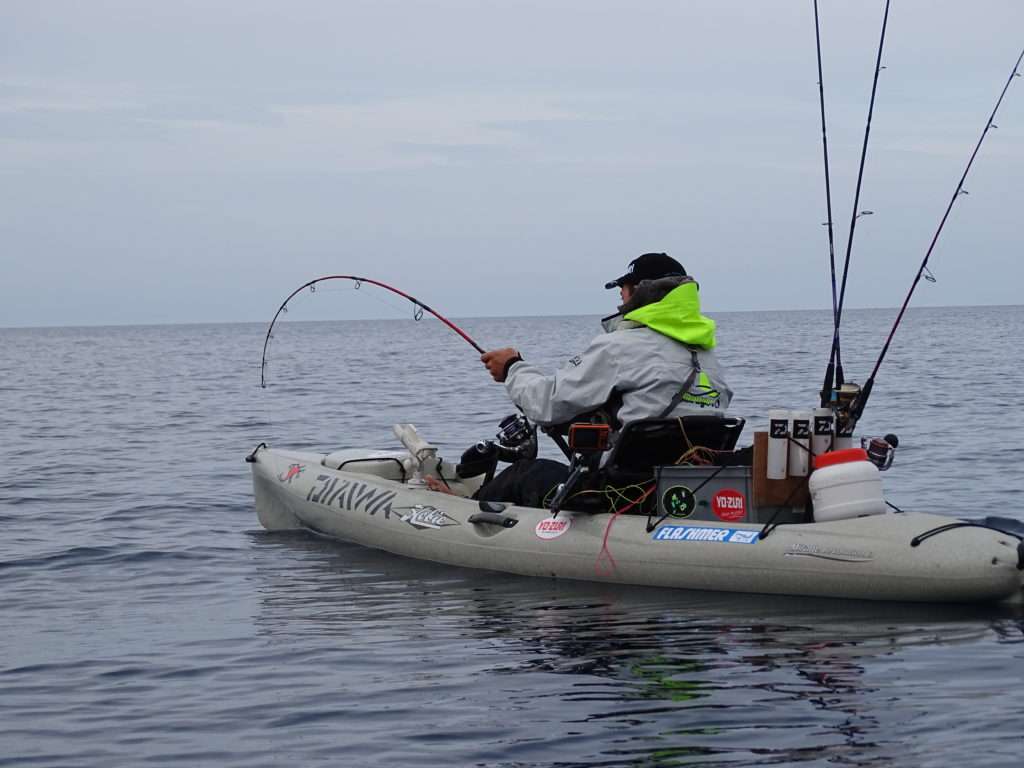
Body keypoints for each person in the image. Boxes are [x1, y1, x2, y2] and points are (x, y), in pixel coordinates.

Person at [438, 252, 732, 508]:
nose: (620, 295)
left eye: (624, 287)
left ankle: (461, 510)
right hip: (687, 490)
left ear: (641, 291)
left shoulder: (620, 347)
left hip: (621, 493)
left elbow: (545, 404)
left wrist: (513, 367)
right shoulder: (708, 357)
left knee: (525, 473)